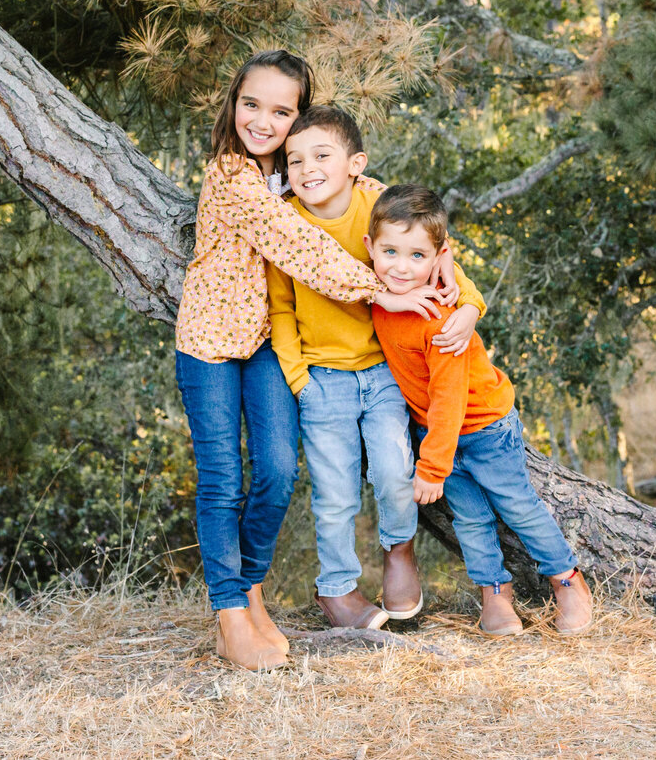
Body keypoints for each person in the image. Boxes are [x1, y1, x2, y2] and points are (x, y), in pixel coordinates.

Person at [174, 51, 447, 671]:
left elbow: (378, 197)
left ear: (299, 117)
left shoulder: (302, 172)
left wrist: (441, 255)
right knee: (223, 482)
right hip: (211, 344)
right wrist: (389, 288)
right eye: (251, 104)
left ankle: (250, 591)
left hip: (269, 343)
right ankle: (228, 614)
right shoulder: (231, 174)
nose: (262, 121)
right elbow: (294, 244)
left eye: (280, 111)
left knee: (274, 470)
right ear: (233, 104)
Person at [267, 106, 485, 630]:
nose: (307, 168)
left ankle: (400, 553)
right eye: (294, 159)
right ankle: (337, 588)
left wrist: (471, 306)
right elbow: (280, 308)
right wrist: (299, 381)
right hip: (322, 380)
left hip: (384, 373)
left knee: (393, 471)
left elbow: (436, 258)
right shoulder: (283, 222)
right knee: (335, 491)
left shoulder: (373, 205)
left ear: (355, 164)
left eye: (322, 155)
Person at [366, 184, 595, 638]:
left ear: (438, 258)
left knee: (518, 508)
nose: (400, 267)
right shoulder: (378, 291)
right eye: (390, 251)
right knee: (470, 520)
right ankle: (496, 592)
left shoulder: (441, 315)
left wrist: (432, 468)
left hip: (484, 427)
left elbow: (450, 400)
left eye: (417, 256)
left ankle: (567, 580)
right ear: (370, 247)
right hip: (440, 435)